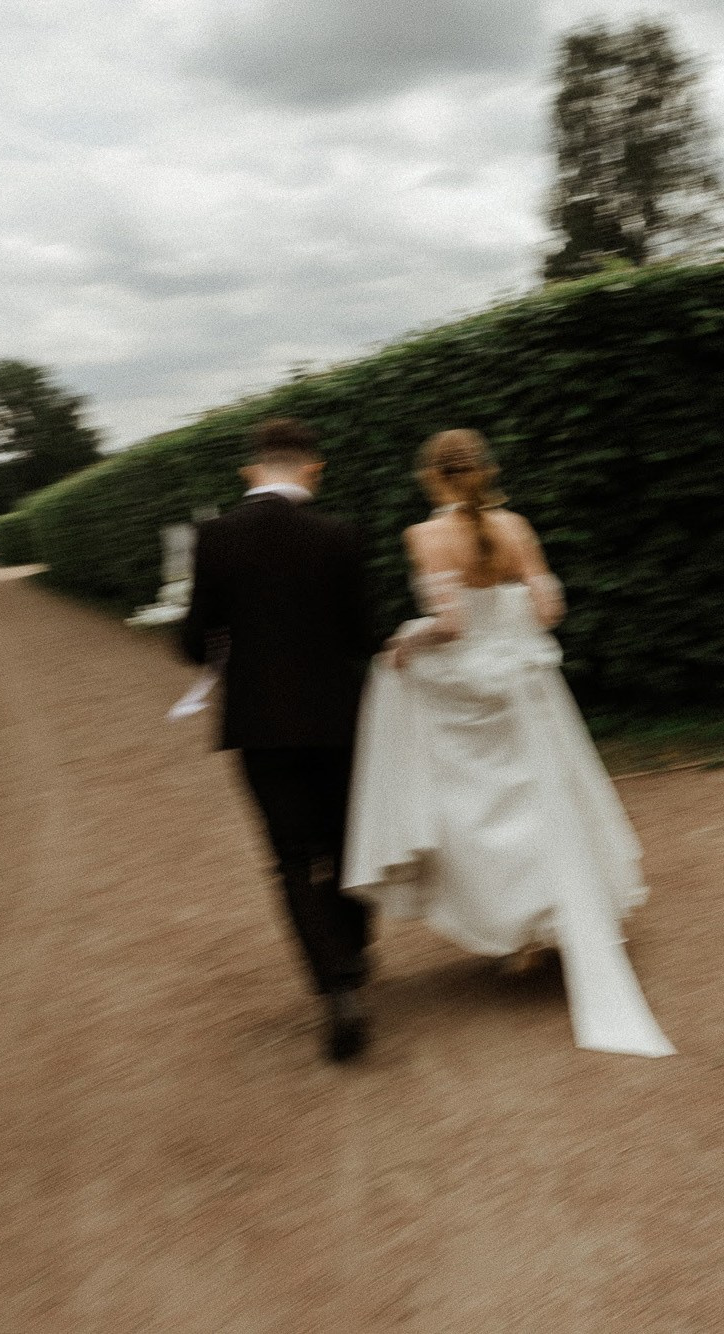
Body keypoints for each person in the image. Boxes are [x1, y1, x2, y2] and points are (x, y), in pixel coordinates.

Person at [344, 430, 674, 1058]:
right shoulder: (517, 527)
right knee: (551, 799)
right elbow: (549, 610)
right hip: (525, 686)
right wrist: (510, 624)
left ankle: (523, 931)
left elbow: (450, 625)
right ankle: (563, 920)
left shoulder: (425, 537)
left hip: (469, 689)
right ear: (488, 471)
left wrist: (405, 644)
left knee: (485, 807)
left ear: (430, 478)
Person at [181, 417, 384, 1062]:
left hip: (260, 727)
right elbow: (365, 635)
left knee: (291, 859)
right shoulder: (339, 534)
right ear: (312, 468)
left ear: (252, 471)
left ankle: (335, 990)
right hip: (337, 721)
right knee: (352, 842)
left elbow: (192, 640)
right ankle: (352, 947)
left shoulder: (214, 538)